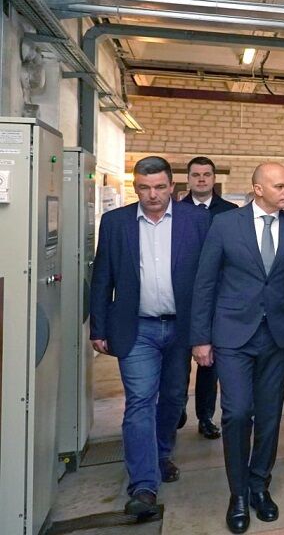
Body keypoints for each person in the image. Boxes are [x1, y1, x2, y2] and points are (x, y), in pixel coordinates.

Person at [190, 163, 284, 534]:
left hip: (279, 337)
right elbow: (205, 282)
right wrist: (200, 338)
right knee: (236, 413)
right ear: (258, 189)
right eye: (279, 186)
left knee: (269, 415)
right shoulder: (225, 225)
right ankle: (238, 494)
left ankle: (259, 485)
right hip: (233, 335)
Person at [90, 156, 209, 518]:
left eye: (159, 187)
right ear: (136, 187)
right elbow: (102, 277)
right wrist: (99, 327)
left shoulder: (196, 221)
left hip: (180, 327)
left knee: (172, 397)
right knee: (140, 400)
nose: (152, 195)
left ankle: (160, 454)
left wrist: (206, 330)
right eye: (144, 188)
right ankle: (143, 485)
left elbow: (208, 279)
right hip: (136, 327)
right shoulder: (116, 223)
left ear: (172, 186)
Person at [178, 156, 238, 440]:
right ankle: (176, 409)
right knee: (178, 362)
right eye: (196, 175)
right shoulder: (176, 211)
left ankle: (205, 416)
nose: (201, 179)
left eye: (206, 174)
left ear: (214, 178)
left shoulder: (231, 213)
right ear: (188, 179)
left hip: (217, 298)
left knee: (209, 364)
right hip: (182, 296)